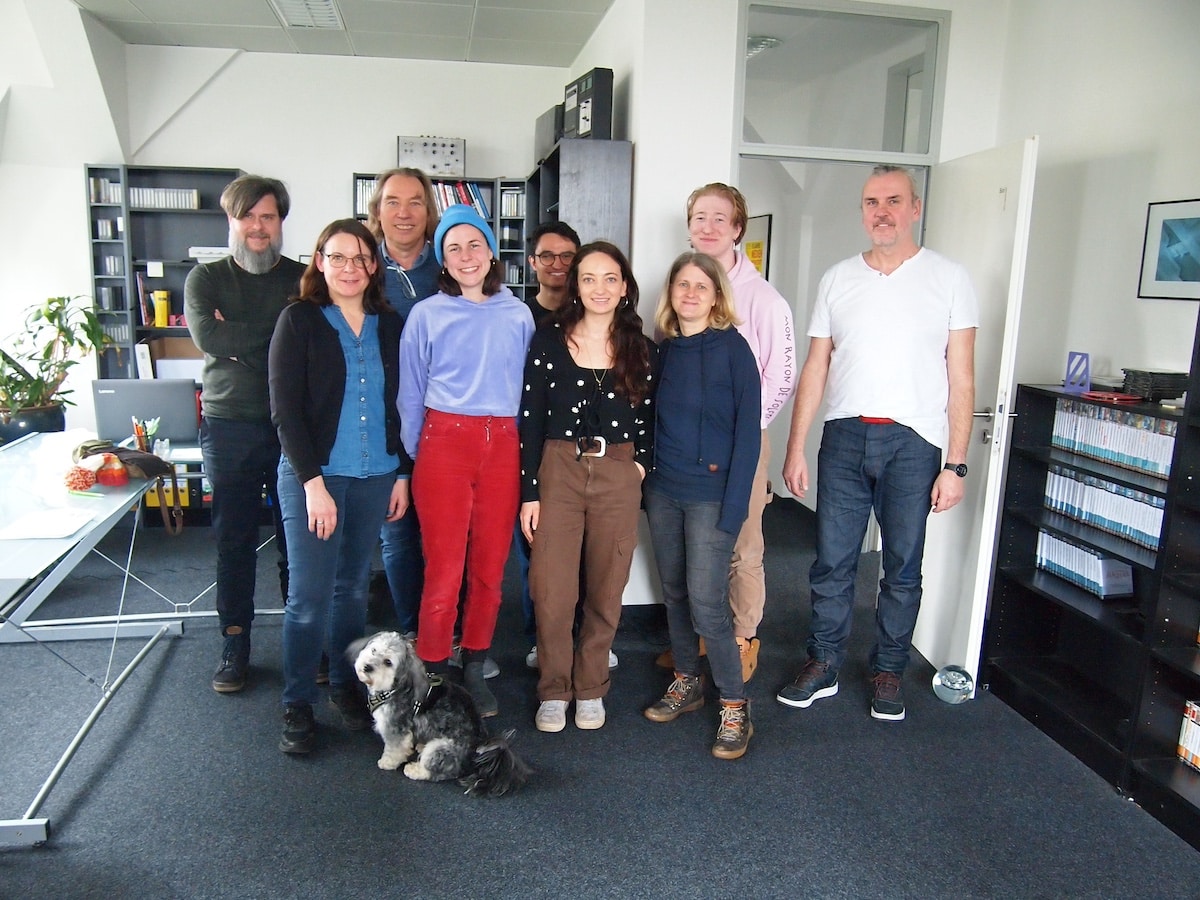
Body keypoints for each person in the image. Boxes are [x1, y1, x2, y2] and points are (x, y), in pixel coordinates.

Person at [776, 164, 977, 722]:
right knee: (832, 562)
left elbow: (962, 378)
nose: (881, 211)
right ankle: (823, 662)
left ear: (915, 208)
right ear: (861, 211)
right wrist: (795, 446)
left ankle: (888, 667)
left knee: (902, 564)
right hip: (843, 436)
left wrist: (955, 466)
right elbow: (815, 366)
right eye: (871, 202)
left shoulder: (949, 278)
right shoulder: (838, 278)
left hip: (914, 442)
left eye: (893, 200)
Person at [268, 218, 411, 754]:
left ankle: (349, 689)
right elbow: (284, 412)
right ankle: (298, 701)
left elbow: (402, 404)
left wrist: (401, 472)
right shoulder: (299, 320)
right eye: (338, 257)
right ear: (320, 261)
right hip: (316, 478)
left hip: (376, 475)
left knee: (352, 589)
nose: (349, 268)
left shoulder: (390, 325)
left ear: (374, 266)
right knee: (308, 598)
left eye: (360, 258)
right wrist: (312, 484)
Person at [398, 204, 534, 717]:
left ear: (491, 251)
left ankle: (474, 666)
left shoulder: (517, 314)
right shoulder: (426, 314)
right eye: (452, 248)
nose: (465, 255)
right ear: (443, 260)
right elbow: (410, 391)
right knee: (444, 567)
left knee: (489, 568)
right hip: (443, 444)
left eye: (473, 244)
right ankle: (433, 671)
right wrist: (420, 456)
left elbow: (526, 391)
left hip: (502, 443)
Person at [519, 241, 656, 732]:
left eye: (610, 278)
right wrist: (529, 491)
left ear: (624, 287)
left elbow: (651, 421)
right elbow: (530, 418)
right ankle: (554, 689)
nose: (600, 288)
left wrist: (639, 467)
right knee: (552, 589)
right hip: (559, 469)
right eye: (589, 278)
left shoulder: (642, 348)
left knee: (606, 585)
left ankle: (592, 684)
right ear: (575, 286)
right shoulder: (548, 340)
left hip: (617, 472)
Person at [185, 174, 304, 694]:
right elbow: (209, 335)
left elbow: (307, 344)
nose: (259, 227)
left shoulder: (304, 279)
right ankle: (235, 642)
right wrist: (280, 332)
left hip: (292, 425)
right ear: (231, 221)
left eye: (269, 216)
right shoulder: (204, 279)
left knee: (295, 539)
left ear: (281, 222)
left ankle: (304, 642)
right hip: (229, 422)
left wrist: (243, 339)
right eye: (248, 216)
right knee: (233, 539)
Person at [642, 251, 761, 761]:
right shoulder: (664, 351)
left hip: (713, 497)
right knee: (674, 593)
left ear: (717, 296)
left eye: (701, 287)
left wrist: (734, 511)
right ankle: (687, 681)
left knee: (708, 601)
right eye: (681, 285)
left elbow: (748, 440)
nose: (689, 294)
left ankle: (735, 705)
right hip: (664, 491)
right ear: (671, 293)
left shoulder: (735, 352)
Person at [682, 183, 795, 682]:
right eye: (699, 218)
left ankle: (744, 638)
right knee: (702, 544)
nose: (708, 228)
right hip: (690, 444)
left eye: (719, 219)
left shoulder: (763, 298)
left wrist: (747, 432)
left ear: (737, 229)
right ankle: (707, 639)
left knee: (743, 543)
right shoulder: (684, 285)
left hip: (742, 442)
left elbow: (782, 374)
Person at [366, 168, 440, 639]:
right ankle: (413, 632)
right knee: (396, 532)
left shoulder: (450, 264)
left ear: (429, 211)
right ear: (378, 210)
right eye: (393, 201)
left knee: (448, 535)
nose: (404, 212)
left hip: (442, 418)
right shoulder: (362, 266)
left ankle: (449, 634)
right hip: (381, 416)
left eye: (415, 202)